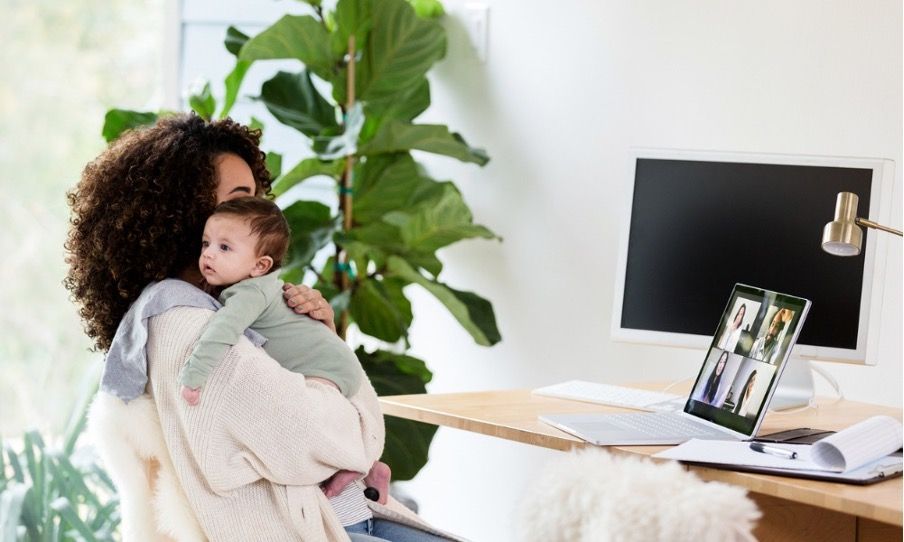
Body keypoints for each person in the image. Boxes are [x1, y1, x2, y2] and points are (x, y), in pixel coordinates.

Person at [65, 113, 457, 541]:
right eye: (238, 199)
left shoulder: (233, 308)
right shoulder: (184, 325)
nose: (258, 214)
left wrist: (322, 334)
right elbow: (320, 433)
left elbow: (335, 422)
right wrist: (356, 441)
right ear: (179, 214)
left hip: (351, 513)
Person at [179, 197, 361, 405]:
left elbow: (222, 330)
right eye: (206, 243)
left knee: (300, 412)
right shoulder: (259, 287)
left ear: (260, 266)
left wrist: (194, 377)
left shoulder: (251, 294)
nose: (208, 254)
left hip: (327, 369)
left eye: (225, 248)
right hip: (337, 361)